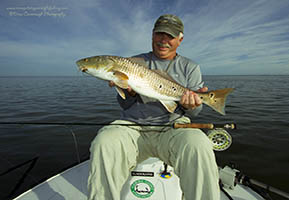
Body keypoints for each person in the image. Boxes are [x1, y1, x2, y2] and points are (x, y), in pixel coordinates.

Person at [87, 14, 220, 200]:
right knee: (104, 142)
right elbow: (124, 103)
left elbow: (196, 112)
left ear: (180, 40)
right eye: (160, 34)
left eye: (170, 36)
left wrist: (191, 105)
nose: (164, 41)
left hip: (173, 129)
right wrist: (130, 93)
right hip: (133, 128)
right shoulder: (132, 62)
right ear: (152, 35)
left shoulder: (190, 67)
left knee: (199, 144)